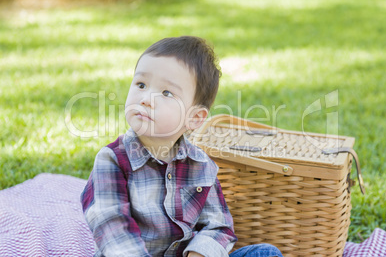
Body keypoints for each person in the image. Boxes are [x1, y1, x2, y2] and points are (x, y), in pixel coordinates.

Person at [81, 36, 283, 257]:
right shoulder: (112, 160)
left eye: (167, 93)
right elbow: (113, 230)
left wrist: (200, 253)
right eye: (141, 84)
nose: (146, 98)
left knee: (265, 253)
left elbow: (219, 226)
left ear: (194, 118)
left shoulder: (201, 165)